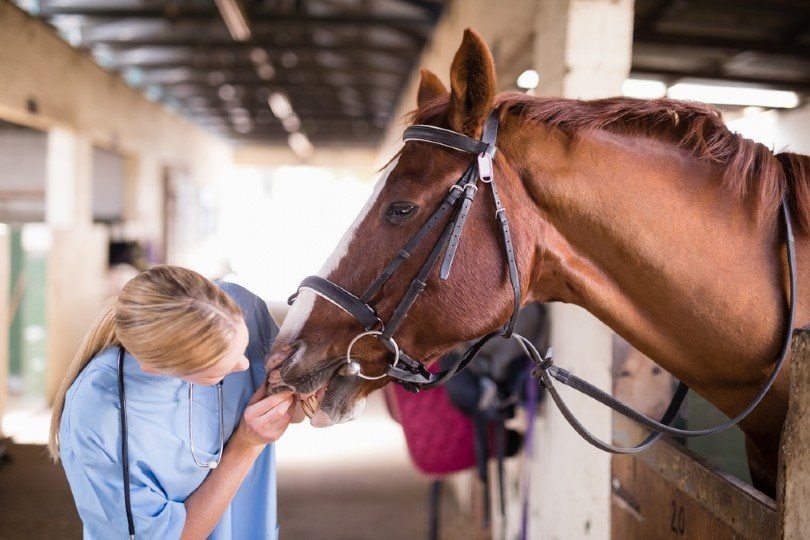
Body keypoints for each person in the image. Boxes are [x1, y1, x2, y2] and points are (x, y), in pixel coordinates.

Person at [48, 265, 295, 539]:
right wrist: (246, 446)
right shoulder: (101, 416)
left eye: (244, 345)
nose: (245, 364)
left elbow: (295, 409)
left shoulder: (242, 306)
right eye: (218, 371)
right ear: (156, 368)